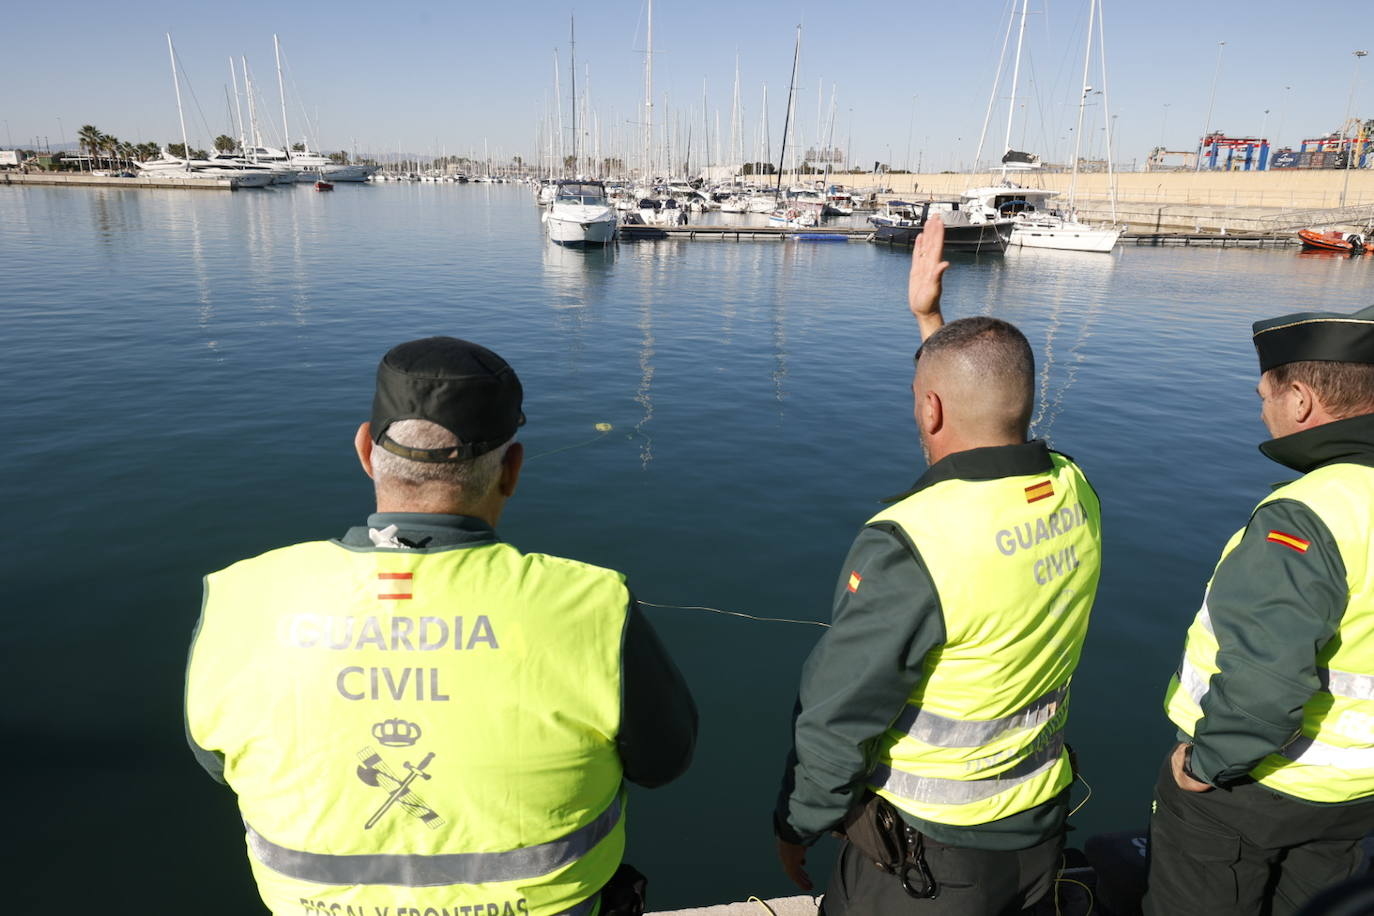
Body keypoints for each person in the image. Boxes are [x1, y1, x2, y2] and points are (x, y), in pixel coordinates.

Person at [185, 336, 697, 916]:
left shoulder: (242, 594)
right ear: (513, 469)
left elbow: (217, 762)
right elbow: (663, 761)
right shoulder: (591, 604)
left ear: (364, 451)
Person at [774, 219, 1104, 914]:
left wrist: (797, 823)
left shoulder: (912, 542)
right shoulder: (1074, 491)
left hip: (932, 861)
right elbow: (980, 415)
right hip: (1039, 823)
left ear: (927, 408)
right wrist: (930, 321)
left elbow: (839, 715)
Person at [1145, 305, 1374, 916]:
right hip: (1356, 795)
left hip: (1256, 789)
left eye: (1265, 394)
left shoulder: (1309, 512)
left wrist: (1203, 764)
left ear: (1300, 400)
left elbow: (1267, 684)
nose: (1261, 409)